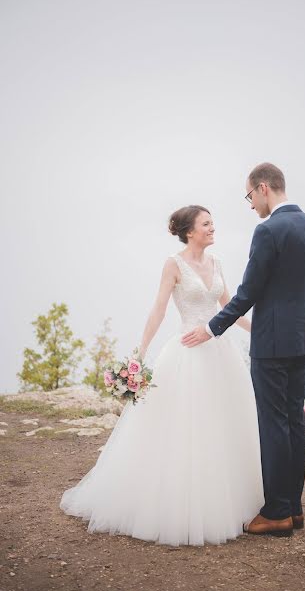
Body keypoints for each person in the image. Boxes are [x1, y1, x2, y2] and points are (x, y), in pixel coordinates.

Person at [60, 205, 264, 546]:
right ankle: (180, 506)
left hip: (218, 353)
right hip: (186, 351)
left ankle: (226, 500)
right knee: (186, 427)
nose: (213, 228)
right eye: (206, 224)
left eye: (213, 223)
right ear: (189, 231)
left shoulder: (218, 264)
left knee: (222, 424)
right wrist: (140, 352)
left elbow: (230, 307)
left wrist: (257, 330)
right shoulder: (174, 264)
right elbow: (159, 307)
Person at [182, 163, 305, 537]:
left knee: (274, 424)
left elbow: (249, 292)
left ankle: (277, 511)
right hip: (301, 338)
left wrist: (213, 327)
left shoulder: (268, 230)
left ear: (264, 188)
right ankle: (294, 508)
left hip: (272, 343)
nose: (250, 205)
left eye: (249, 196)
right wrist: (298, 324)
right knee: (295, 422)